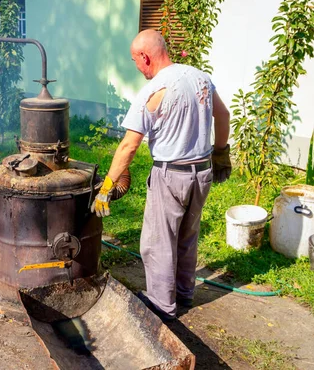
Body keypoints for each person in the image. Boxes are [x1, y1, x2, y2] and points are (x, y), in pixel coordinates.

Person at [91, 29, 231, 322]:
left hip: (171, 176)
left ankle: (161, 306)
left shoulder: (156, 89)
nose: (136, 66)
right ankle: (183, 294)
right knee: (187, 237)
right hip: (201, 173)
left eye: (134, 60)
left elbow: (129, 145)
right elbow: (224, 115)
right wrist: (220, 152)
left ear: (145, 57)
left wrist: (106, 188)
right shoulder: (201, 77)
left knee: (158, 242)